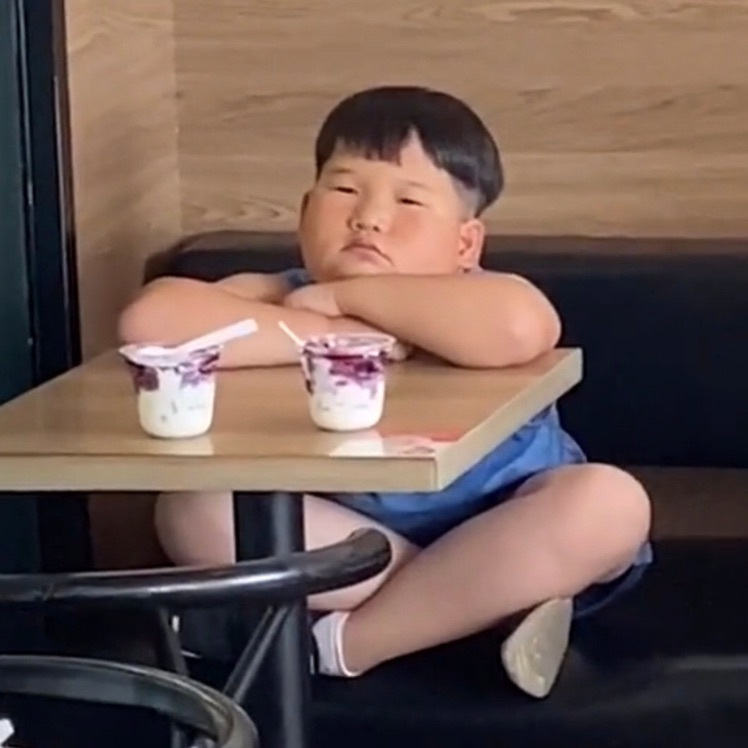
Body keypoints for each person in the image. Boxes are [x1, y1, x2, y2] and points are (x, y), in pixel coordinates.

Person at [118, 85, 652, 698]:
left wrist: (346, 296)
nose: (368, 217)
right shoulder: (282, 293)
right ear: (303, 212)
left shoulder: (479, 296)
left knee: (610, 504)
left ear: (465, 244)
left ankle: (344, 645)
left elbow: (519, 328)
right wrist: (336, 331)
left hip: (512, 523)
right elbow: (151, 321)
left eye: (409, 200)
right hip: (355, 542)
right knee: (191, 509)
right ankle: (489, 610)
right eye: (345, 190)